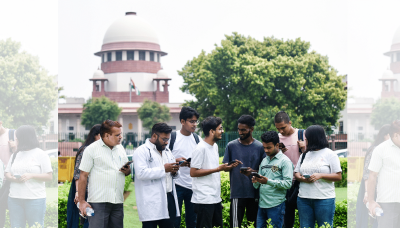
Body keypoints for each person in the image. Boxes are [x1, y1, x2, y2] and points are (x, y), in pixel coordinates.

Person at [77, 120, 131, 228]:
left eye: (121, 134)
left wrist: (127, 171)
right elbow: (83, 175)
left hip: (117, 202)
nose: (120, 137)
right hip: (98, 203)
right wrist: (82, 201)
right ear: (106, 135)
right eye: (117, 135)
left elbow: (127, 171)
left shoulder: (120, 148)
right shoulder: (91, 149)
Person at [190, 116, 241, 228]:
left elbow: (211, 168)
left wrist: (226, 167)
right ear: (212, 131)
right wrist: (218, 169)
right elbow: (193, 172)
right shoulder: (200, 148)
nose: (222, 131)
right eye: (220, 128)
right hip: (203, 200)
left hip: (214, 199)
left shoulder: (215, 146)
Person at [4, 125, 53, 228]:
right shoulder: (15, 154)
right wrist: (13, 179)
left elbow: (49, 176)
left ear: (24, 138)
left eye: (17, 137)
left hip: (35, 199)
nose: (15, 139)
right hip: (14, 199)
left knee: (35, 226)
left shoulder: (41, 154)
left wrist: (32, 175)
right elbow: (7, 173)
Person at [294, 125, 342, 228]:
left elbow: (338, 176)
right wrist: (302, 178)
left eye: (306, 138)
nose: (305, 140)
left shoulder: (330, 154)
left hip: (324, 199)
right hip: (304, 199)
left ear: (312, 138)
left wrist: (321, 175)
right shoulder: (305, 155)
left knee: (325, 226)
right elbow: (296, 173)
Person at [134, 123, 180, 227]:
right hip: (151, 200)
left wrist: (174, 171)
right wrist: (164, 169)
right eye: (164, 139)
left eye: (168, 139)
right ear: (154, 136)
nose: (167, 142)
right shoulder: (142, 151)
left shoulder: (167, 151)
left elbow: (174, 175)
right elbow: (141, 173)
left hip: (169, 197)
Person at [222, 115, 265, 228]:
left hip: (254, 193)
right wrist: (230, 166)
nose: (240, 132)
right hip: (237, 193)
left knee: (254, 224)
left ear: (251, 129)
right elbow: (224, 167)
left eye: (243, 130)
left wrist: (252, 171)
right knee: (235, 226)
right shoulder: (231, 146)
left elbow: (264, 170)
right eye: (239, 129)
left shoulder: (260, 147)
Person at [252, 131, 293, 228]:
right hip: (262, 205)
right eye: (264, 147)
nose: (266, 150)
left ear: (277, 145)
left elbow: (288, 184)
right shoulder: (264, 160)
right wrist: (256, 181)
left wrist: (268, 181)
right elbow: (258, 184)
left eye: (269, 147)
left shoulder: (285, 161)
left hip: (276, 206)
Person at [169, 106, 202, 228]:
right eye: (191, 121)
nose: (194, 125)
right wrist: (176, 160)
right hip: (176, 185)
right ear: (182, 122)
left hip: (193, 186)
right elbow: (164, 159)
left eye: (195, 121)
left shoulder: (197, 139)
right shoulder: (173, 137)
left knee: (192, 222)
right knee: (174, 221)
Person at [273, 111, 305, 228]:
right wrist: (277, 153)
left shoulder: (302, 134)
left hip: (300, 181)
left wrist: (305, 147)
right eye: (278, 128)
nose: (281, 131)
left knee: (304, 216)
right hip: (284, 182)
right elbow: (272, 163)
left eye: (283, 127)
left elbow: (314, 155)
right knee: (286, 219)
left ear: (290, 123)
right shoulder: (276, 139)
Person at [355, 124, 390, 228]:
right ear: (386, 135)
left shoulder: (388, 149)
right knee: (367, 215)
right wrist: (367, 192)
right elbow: (367, 173)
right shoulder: (375, 149)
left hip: (381, 188)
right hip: (370, 187)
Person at [67, 124, 101, 228]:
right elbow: (78, 173)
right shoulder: (86, 150)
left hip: (96, 191)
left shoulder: (99, 149)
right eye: (102, 135)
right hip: (85, 191)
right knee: (89, 218)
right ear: (96, 135)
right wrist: (78, 192)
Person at [367, 120, 400, 228]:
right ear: (396, 135)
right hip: (388, 204)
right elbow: (372, 175)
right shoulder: (380, 149)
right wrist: (371, 201)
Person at [0, 120, 16, 228]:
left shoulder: (13, 134)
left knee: (13, 210)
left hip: (12, 179)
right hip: (0, 180)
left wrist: (15, 147)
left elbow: (25, 154)